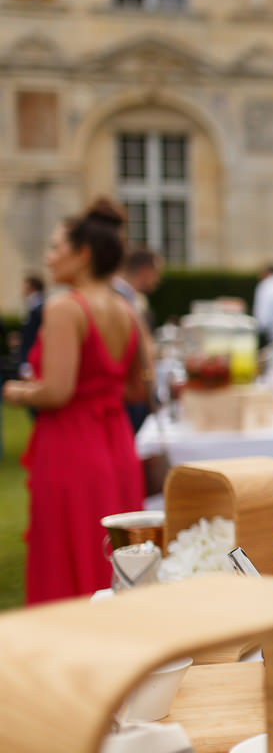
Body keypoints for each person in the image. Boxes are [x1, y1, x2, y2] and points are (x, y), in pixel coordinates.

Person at [2, 197, 148, 604]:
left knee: (68, 555)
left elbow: (57, 391)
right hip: (116, 443)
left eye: (54, 248)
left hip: (71, 445)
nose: (48, 259)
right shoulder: (127, 308)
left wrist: (16, 390)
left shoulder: (65, 308)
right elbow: (138, 388)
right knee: (119, 559)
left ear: (82, 254)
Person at [113, 246, 162, 433]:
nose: (157, 280)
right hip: (127, 391)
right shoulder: (120, 299)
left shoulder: (130, 297)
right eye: (156, 273)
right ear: (145, 271)